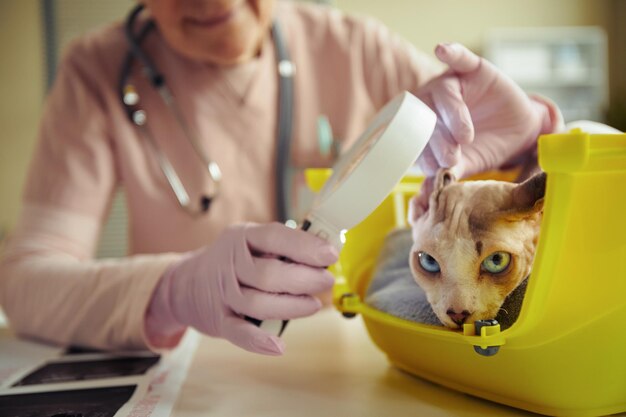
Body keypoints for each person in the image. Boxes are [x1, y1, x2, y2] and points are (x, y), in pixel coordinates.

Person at [0, 0, 563, 356]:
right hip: (183, 379)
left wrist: (531, 138)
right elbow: (26, 286)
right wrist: (168, 291)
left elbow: (517, 202)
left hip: (347, 378)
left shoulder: (357, 49)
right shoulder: (94, 73)